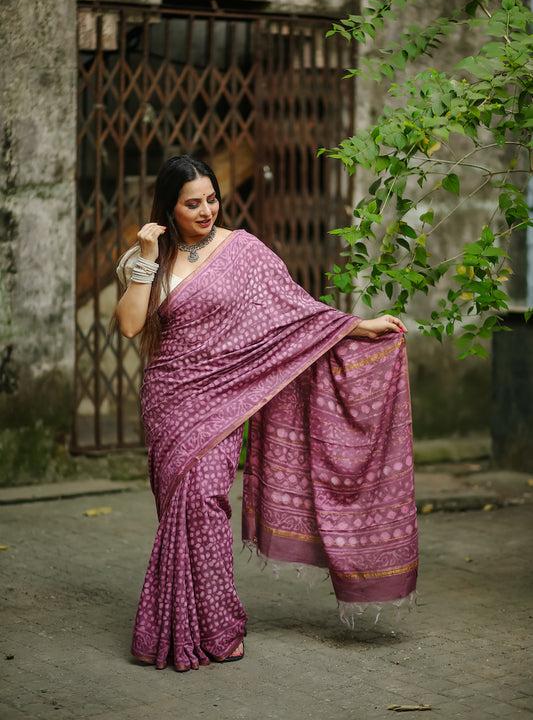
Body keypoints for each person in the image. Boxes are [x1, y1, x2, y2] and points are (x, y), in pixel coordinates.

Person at [114, 154, 418, 673]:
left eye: (212, 199)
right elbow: (129, 325)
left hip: (228, 395)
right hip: (171, 398)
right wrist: (144, 254)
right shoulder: (148, 258)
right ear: (168, 208)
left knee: (207, 498)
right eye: (193, 203)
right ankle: (187, 620)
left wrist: (357, 327)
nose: (207, 210)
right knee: (180, 508)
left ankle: (217, 625)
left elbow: (292, 312)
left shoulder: (244, 250)